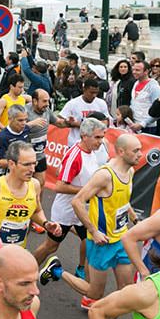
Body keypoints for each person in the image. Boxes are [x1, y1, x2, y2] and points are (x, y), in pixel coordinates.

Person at [54, 135, 141, 319]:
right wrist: (93, 231)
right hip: (102, 243)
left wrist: (134, 219)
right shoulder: (104, 175)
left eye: (140, 149)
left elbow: (123, 202)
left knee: (126, 291)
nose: (140, 154)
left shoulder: (131, 172)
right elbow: (77, 202)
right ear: (121, 151)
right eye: (136, 151)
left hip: (122, 239)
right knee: (94, 293)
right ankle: (57, 271)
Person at [33, 118, 108, 278]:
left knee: (90, 241)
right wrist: (87, 191)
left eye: (102, 137)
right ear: (84, 136)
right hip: (65, 212)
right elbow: (59, 186)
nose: (101, 142)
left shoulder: (92, 153)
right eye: (97, 137)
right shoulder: (75, 156)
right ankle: (26, 271)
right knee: (51, 246)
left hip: (81, 210)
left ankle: (84, 274)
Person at [0, 141, 59, 247]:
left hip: (16, 251)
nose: (32, 169)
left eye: (34, 163)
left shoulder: (34, 185)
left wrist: (45, 224)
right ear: (12, 164)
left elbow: (36, 211)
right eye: (26, 164)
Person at [60, 79, 110, 145]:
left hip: (95, 144)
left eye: (96, 93)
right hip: (76, 142)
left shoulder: (101, 103)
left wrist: (77, 124)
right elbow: (60, 119)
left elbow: (106, 123)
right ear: (84, 89)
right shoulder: (73, 103)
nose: (94, 95)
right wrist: (68, 121)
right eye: (91, 92)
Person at [0, 105, 32, 179]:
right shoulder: (2, 137)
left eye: (26, 120)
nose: (24, 123)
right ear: (10, 119)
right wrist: (19, 162)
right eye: (20, 120)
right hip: (2, 177)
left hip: (20, 175)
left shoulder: (26, 130)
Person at [128, 62, 160, 133]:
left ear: (146, 71)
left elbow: (158, 111)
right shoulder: (136, 83)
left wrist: (143, 124)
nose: (134, 72)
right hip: (134, 124)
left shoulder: (154, 87)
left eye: (137, 70)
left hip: (147, 128)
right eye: (133, 70)